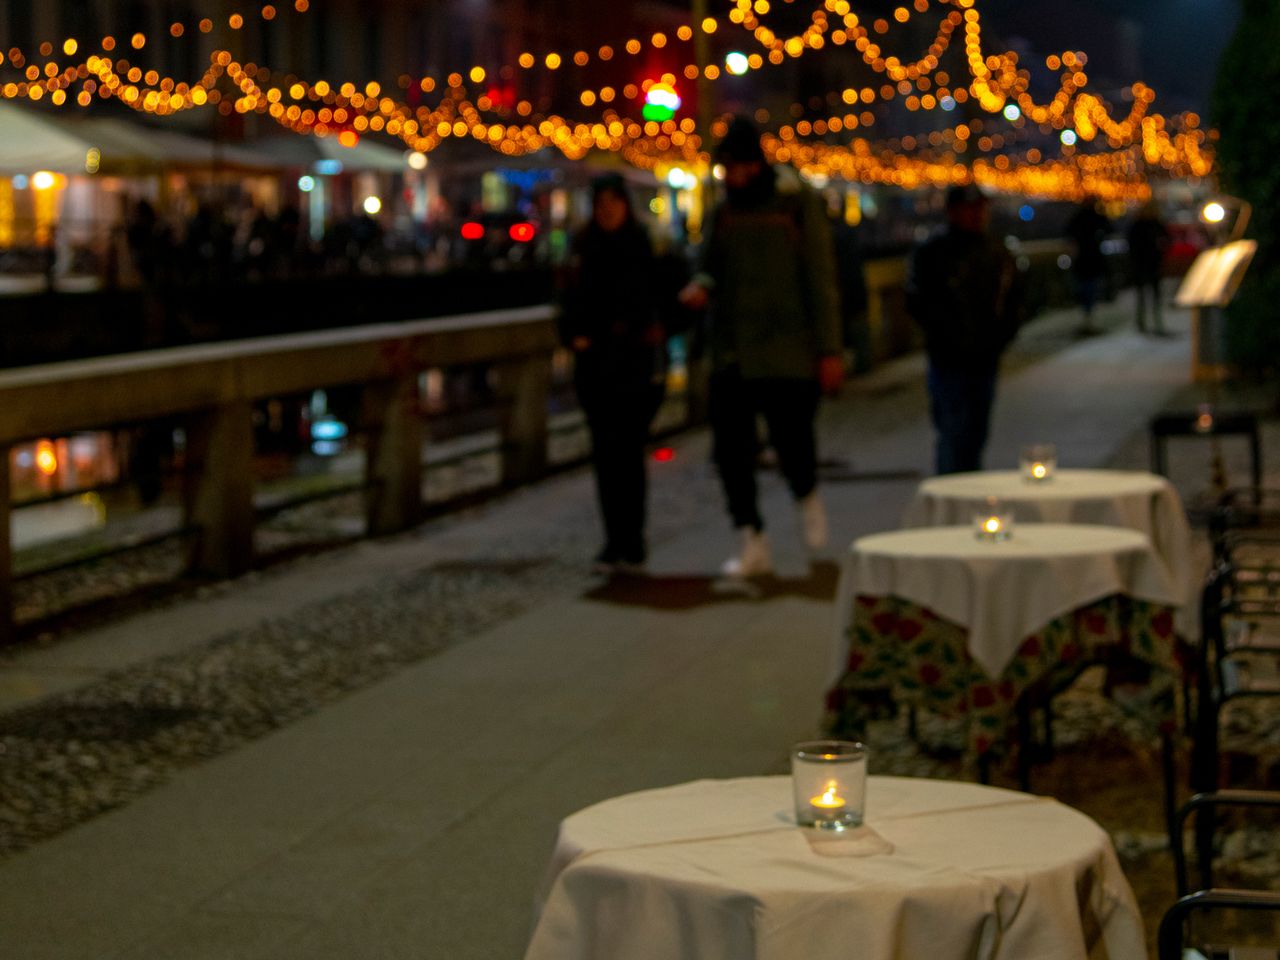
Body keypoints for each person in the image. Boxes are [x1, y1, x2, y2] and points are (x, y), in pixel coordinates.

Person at [679, 117, 843, 577]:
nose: (729, 176)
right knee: (732, 453)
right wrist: (701, 285)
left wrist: (828, 349)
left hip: (787, 350)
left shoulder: (795, 205)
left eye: (735, 166)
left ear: (754, 165)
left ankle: (806, 496)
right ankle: (750, 536)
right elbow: (709, 264)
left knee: (793, 440)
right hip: (732, 351)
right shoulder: (724, 212)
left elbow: (820, 280)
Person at [559, 174, 667, 573]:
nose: (606, 210)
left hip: (633, 363)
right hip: (596, 365)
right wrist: (573, 336)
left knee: (629, 452)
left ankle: (632, 538)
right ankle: (614, 539)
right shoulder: (582, 246)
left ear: (625, 204)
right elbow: (566, 299)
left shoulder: (643, 245)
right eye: (600, 203)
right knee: (606, 454)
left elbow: (664, 297)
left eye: (613, 202)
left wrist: (648, 331)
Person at [906, 184, 1022, 475]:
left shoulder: (997, 252)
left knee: (975, 433)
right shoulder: (934, 253)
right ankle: (951, 489)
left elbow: (1013, 301)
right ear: (953, 212)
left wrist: (1000, 338)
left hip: (984, 358)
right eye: (970, 209)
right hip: (948, 359)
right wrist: (946, 336)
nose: (977, 215)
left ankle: (968, 485)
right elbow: (918, 302)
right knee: (952, 432)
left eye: (980, 209)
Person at [1065, 199, 1111, 336]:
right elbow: (1109, 229)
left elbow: (1068, 233)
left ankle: (1086, 316)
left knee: (1084, 288)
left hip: (1081, 260)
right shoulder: (1097, 218)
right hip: (1093, 259)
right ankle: (1089, 317)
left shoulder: (1077, 218)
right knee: (1091, 288)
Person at [1128, 202, 1170, 335]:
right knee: (1142, 295)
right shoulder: (1138, 226)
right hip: (1141, 264)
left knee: (1155, 295)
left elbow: (1167, 239)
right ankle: (1142, 322)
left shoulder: (1156, 224)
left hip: (1153, 263)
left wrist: (1162, 247)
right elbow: (1132, 245)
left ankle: (1156, 321)